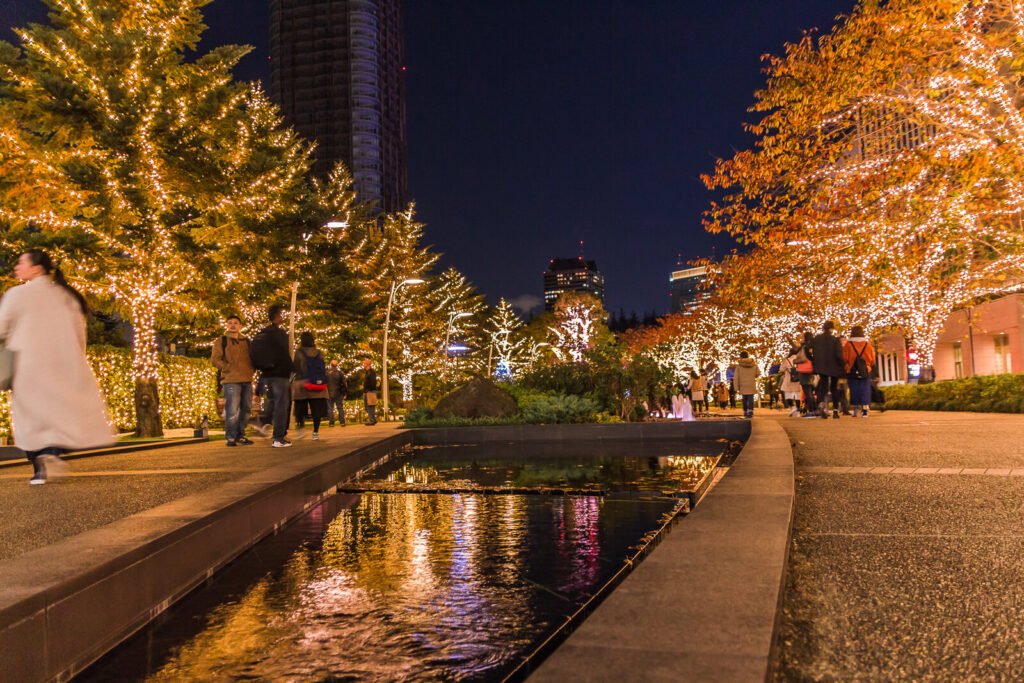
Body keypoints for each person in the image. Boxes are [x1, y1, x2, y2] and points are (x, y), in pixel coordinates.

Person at [0, 250, 115, 484]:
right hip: (61, 365)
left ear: (37, 268)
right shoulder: (66, 296)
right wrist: (77, 360)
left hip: (26, 367)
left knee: (30, 418)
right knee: (59, 414)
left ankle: (38, 465)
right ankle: (52, 453)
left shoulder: (17, 294)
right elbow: (79, 334)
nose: (17, 267)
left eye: (22, 263)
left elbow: (1, 328)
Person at [250, 304, 294, 447]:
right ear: (277, 316)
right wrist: (291, 368)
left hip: (266, 373)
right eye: (281, 314)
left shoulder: (262, 333)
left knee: (272, 402)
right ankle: (278, 438)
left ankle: (263, 423)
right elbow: (283, 354)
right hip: (280, 374)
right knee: (281, 405)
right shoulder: (279, 334)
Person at [211, 315, 256, 447]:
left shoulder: (246, 341)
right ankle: (230, 437)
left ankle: (240, 435)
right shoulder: (221, 340)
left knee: (246, 409)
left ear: (240, 326)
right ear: (226, 325)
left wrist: (251, 369)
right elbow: (215, 359)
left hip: (247, 379)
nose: (232, 325)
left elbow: (253, 357)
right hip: (231, 380)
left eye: (235, 323)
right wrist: (226, 367)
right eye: (230, 323)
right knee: (232, 410)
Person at [292, 331, 329, 440]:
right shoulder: (319, 352)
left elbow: (295, 368)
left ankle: (301, 428)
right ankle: (315, 432)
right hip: (317, 385)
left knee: (300, 408)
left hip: (303, 384)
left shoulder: (298, 352)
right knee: (316, 409)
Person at [811, 321, 845, 419]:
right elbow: (839, 355)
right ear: (831, 329)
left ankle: (821, 403)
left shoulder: (817, 339)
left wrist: (813, 359)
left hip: (821, 367)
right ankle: (835, 411)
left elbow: (807, 348)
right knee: (835, 388)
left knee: (823, 386)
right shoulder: (835, 340)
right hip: (834, 367)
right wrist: (842, 366)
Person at [844, 326, 877, 418]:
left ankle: (855, 408)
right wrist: (868, 365)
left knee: (854, 389)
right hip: (865, 370)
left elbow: (844, 358)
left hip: (852, 370)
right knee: (865, 389)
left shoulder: (848, 344)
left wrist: (847, 367)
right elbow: (872, 359)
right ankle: (865, 409)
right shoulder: (867, 345)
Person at [779, 346, 804, 417]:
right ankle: (797, 411)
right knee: (797, 396)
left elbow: (781, 369)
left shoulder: (787, 360)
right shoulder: (801, 359)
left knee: (788, 395)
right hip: (798, 380)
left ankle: (793, 408)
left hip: (788, 380)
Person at [734, 351, 760, 418]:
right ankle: (750, 410)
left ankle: (745, 411)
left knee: (744, 398)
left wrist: (736, 387)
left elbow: (736, 377)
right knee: (751, 398)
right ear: (748, 356)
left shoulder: (739, 366)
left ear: (741, 356)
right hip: (751, 384)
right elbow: (758, 374)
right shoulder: (754, 364)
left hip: (742, 385)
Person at [327, 360, 347, 427]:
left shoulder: (326, 373)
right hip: (338, 393)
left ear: (331, 364)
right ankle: (342, 422)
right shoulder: (340, 373)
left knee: (330, 408)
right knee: (340, 408)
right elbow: (344, 384)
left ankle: (331, 423)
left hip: (329, 393)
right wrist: (344, 393)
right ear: (337, 365)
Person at [362, 359, 378, 425]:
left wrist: (369, 390)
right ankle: (373, 419)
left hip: (369, 391)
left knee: (370, 406)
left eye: (364, 363)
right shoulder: (367, 372)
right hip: (367, 391)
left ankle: (372, 420)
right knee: (368, 406)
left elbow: (373, 381)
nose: (363, 365)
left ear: (367, 364)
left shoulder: (371, 372)